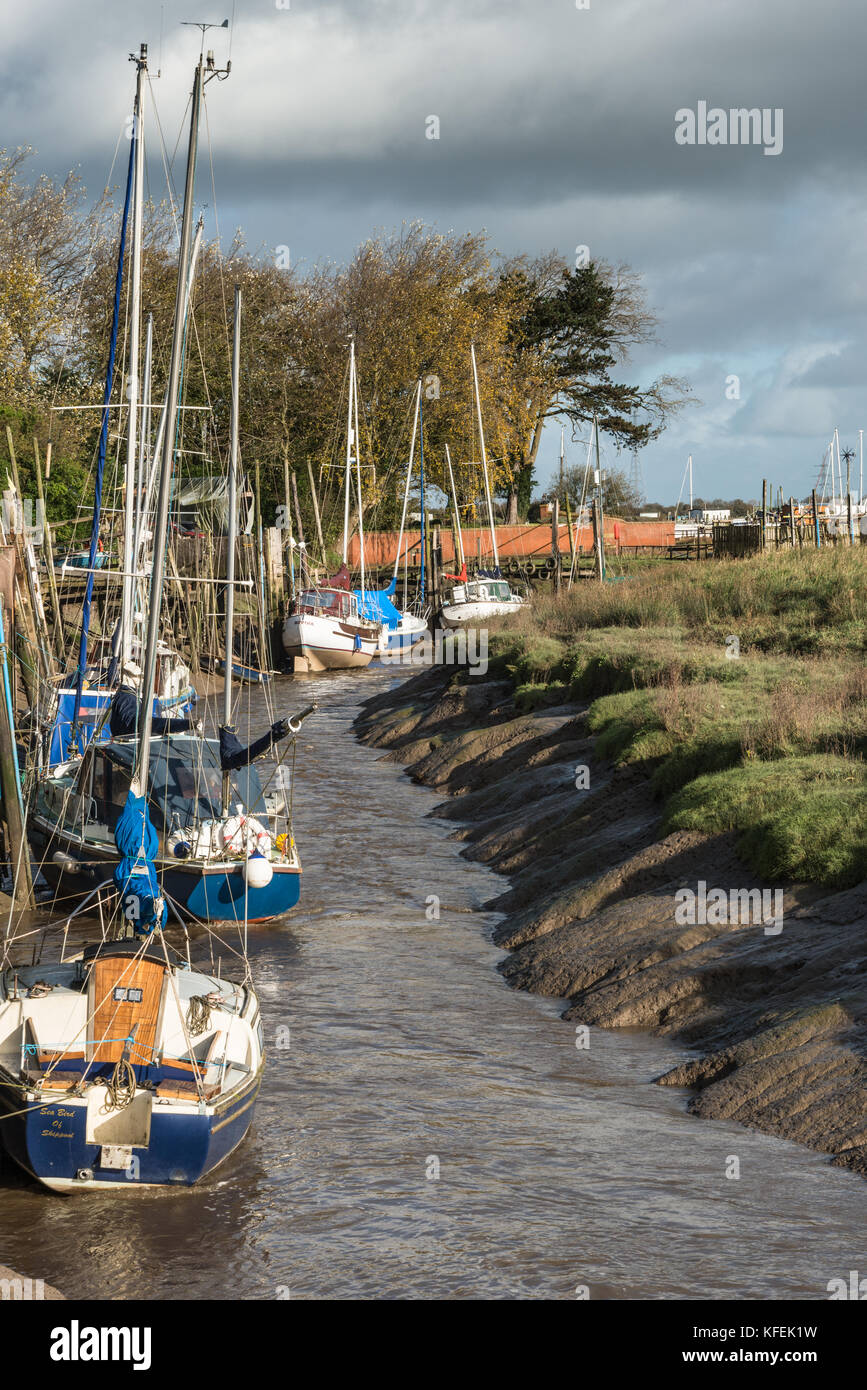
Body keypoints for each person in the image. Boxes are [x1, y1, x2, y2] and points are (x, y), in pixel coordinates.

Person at [109, 683, 200, 740]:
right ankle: (189, 724)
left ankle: (189, 724)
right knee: (150, 724)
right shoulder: (130, 699)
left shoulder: (121, 699)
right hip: (131, 726)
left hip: (122, 730)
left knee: (149, 724)